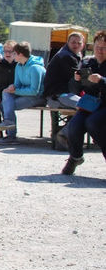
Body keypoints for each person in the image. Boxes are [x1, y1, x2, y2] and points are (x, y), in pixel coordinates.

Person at [61, 29, 106, 175]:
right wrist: (76, 80)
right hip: (90, 103)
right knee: (74, 126)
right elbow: (74, 89)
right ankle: (75, 157)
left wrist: (102, 80)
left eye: (104, 47)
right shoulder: (88, 62)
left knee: (93, 123)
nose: (100, 50)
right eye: (98, 47)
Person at [0, 41, 46, 145]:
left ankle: (11, 135)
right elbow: (17, 84)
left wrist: (16, 90)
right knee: (6, 93)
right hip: (24, 93)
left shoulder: (35, 68)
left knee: (6, 105)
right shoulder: (19, 66)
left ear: (20, 54)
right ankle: (10, 128)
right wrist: (12, 87)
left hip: (38, 97)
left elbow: (34, 91)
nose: (11, 55)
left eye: (14, 53)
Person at [44, 32, 85, 109]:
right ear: (68, 43)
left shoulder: (73, 54)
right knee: (87, 106)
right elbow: (78, 79)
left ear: (83, 45)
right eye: (73, 42)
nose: (76, 45)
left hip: (63, 94)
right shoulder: (66, 56)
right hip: (57, 96)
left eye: (79, 43)